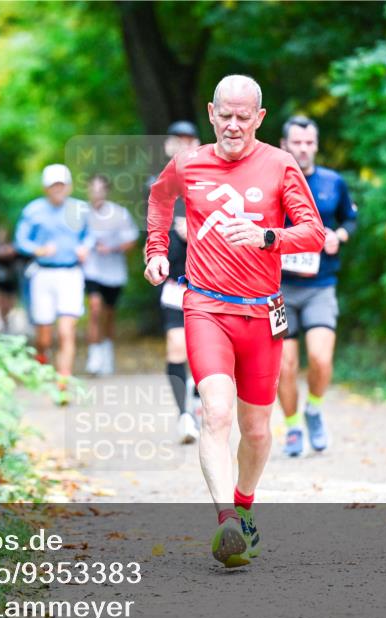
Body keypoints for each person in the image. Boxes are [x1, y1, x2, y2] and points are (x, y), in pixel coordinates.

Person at [144, 75, 325, 567]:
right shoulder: (187, 162)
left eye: (244, 117)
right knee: (216, 414)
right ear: (211, 112)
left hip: (262, 312)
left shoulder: (280, 164)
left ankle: (244, 506)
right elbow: (161, 199)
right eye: (225, 114)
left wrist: (268, 237)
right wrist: (157, 250)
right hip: (205, 306)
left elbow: (313, 233)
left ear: (260, 119)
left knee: (257, 429)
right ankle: (226, 521)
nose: (233, 125)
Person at [276, 116, 358, 457]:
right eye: (297, 143)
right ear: (284, 145)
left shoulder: (332, 182)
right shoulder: (272, 181)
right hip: (277, 287)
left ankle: (314, 410)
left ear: (317, 145)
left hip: (320, 285)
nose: (304, 149)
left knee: (321, 359)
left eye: (309, 143)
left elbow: (350, 219)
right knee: (285, 365)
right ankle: (293, 426)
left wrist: (338, 236)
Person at [14, 164, 93, 386]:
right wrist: (37, 250)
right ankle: (41, 358)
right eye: (53, 185)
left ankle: (63, 380)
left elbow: (91, 235)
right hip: (43, 274)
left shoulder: (79, 209)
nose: (58, 189)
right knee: (44, 335)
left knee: (66, 329)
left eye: (61, 185)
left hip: (71, 273)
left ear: (68, 186)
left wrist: (85, 247)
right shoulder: (33, 211)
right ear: (46, 188)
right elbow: (21, 241)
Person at [152, 121, 203, 443]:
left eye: (189, 140)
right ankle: (184, 415)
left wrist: (196, 232)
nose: (183, 146)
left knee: (204, 351)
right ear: (168, 145)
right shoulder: (158, 185)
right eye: (177, 140)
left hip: (210, 281)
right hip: (174, 280)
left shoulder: (214, 180)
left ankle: (198, 406)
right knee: (176, 346)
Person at [82, 174, 139, 376]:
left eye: (100, 189)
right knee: (95, 309)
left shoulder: (119, 214)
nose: (96, 193)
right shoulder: (82, 214)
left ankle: (107, 353)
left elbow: (131, 240)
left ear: (106, 191)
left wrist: (113, 248)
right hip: (91, 270)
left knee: (108, 315)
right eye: (93, 189)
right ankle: (94, 355)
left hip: (114, 273)